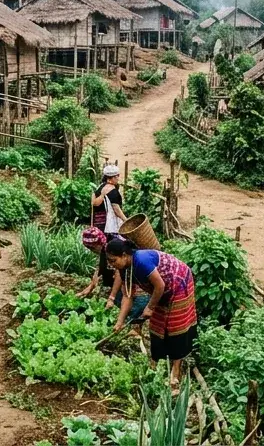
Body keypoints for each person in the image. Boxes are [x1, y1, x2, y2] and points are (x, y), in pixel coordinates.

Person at [105, 237, 196, 386]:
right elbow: (128, 295)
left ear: (124, 255)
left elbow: (159, 285)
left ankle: (175, 372)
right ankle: (156, 365)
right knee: (157, 326)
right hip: (160, 290)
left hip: (178, 283)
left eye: (113, 260)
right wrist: (119, 322)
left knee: (175, 327)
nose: (111, 264)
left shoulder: (141, 261)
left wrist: (150, 307)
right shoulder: (124, 269)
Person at [77, 227, 148, 327]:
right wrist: (89, 288)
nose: (91, 250)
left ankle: (135, 328)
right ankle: (126, 325)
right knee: (126, 306)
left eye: (92, 248)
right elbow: (99, 269)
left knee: (134, 308)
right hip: (121, 287)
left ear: (98, 243)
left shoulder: (112, 250)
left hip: (127, 286)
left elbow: (119, 273)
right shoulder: (103, 251)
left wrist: (112, 297)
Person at [93, 164, 126, 233]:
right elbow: (116, 209)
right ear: (113, 177)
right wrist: (125, 220)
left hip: (97, 221)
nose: (118, 178)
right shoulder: (113, 191)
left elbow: (94, 203)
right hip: (108, 223)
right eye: (118, 176)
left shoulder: (100, 187)